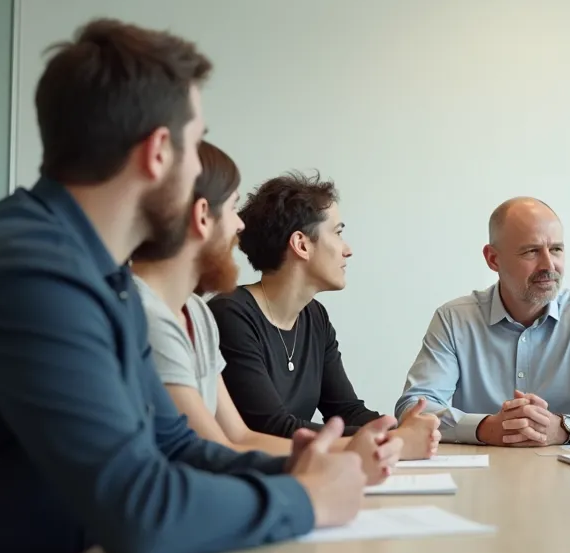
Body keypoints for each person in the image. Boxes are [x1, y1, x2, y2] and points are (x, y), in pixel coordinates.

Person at [0, 19, 375, 553]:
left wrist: (300, 469)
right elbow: (139, 512)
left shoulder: (98, 276)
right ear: (158, 153)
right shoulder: (28, 275)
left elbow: (174, 445)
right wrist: (307, 501)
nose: (202, 170)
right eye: (197, 145)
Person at [130, 141, 425, 478]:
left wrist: (389, 434)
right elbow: (223, 445)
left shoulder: (196, 312)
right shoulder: (208, 314)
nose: (239, 227)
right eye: (231, 208)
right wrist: (379, 444)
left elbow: (237, 438)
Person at [210, 172, 439, 460]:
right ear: (301, 244)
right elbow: (271, 428)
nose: (348, 250)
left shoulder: (314, 316)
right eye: (338, 232)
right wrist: (391, 439)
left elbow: (345, 409)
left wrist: (400, 426)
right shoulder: (230, 314)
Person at [395, 197, 570, 446]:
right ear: (493, 259)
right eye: (531, 251)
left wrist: (564, 427)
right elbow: (414, 408)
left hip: (566, 475)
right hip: (480, 476)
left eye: (556, 249)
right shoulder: (454, 319)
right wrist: (484, 428)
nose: (549, 265)